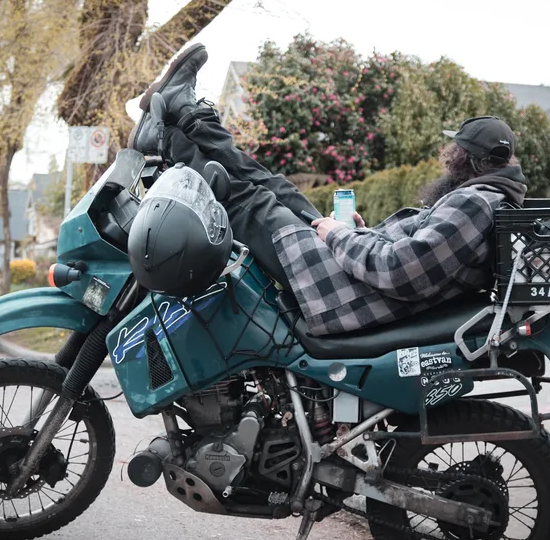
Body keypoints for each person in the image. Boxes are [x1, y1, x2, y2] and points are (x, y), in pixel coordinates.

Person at [130, 44, 528, 336]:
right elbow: (412, 256)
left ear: (468, 159)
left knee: (248, 199)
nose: (448, 157)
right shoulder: (483, 201)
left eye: (454, 151)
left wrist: (338, 236)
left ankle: (167, 136)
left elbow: (401, 270)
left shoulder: (476, 204)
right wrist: (357, 234)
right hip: (345, 279)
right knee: (275, 187)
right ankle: (185, 117)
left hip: (338, 291)